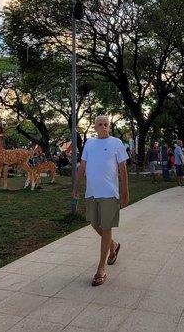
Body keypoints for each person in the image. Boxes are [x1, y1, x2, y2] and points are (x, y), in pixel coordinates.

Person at [72, 115, 130, 287]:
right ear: (95, 127)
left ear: (109, 126)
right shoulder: (89, 143)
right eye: (100, 124)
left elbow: (123, 170)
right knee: (94, 223)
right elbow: (82, 167)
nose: (103, 127)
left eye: (106, 124)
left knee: (106, 228)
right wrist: (76, 187)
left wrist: (125, 191)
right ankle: (114, 245)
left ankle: (100, 269)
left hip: (109, 193)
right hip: (92, 192)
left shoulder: (116, 143)